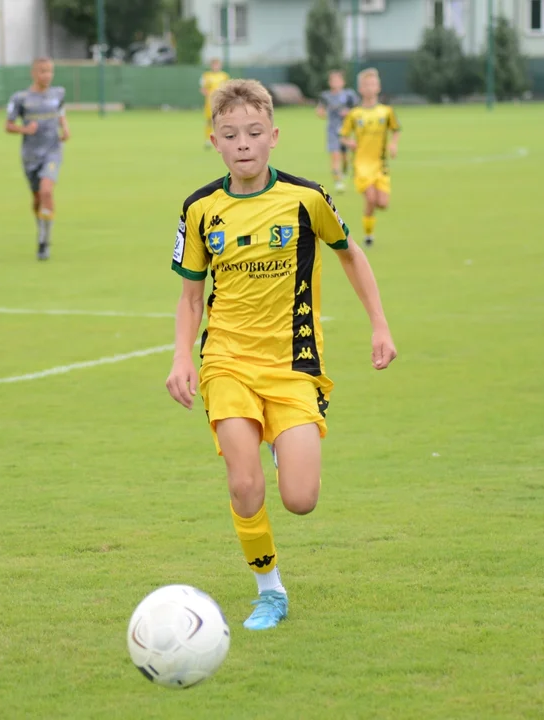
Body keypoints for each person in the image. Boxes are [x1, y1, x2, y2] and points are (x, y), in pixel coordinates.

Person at [166, 79, 397, 631]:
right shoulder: (200, 208)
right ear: (215, 141)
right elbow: (190, 295)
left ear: (273, 136)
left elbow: (350, 254)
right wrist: (182, 358)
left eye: (252, 133)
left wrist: (380, 325)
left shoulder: (306, 198)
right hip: (226, 362)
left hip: (295, 366)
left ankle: (282, 444)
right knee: (244, 485)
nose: (242, 143)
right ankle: (269, 589)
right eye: (229, 134)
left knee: (300, 499)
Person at [5, 57, 70, 261]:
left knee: (46, 191)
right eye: (43, 71)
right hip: (31, 155)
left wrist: (65, 128)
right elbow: (8, 125)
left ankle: (44, 240)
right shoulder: (21, 98)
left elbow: (60, 113)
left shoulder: (58, 94)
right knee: (36, 199)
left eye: (50, 71)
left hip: (52, 150)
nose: (47, 75)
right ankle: (41, 229)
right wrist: (25, 129)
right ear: (34, 73)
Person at [340, 68, 400, 248]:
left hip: (380, 164)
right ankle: (368, 235)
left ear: (378, 87)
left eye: (373, 84)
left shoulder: (386, 112)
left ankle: (369, 225)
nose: (369, 88)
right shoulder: (355, 114)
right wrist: (349, 143)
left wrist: (393, 144)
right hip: (361, 164)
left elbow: (395, 130)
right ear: (360, 89)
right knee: (371, 199)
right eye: (366, 85)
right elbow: (343, 136)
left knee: (382, 203)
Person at [315, 69, 359, 193]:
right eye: (333, 80)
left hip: (346, 131)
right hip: (332, 130)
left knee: (345, 157)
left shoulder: (349, 95)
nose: (335, 83)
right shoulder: (326, 96)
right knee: (335, 155)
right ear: (330, 83)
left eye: (338, 80)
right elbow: (320, 110)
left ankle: (344, 171)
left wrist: (349, 112)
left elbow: (358, 110)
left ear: (343, 82)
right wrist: (320, 112)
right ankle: (338, 182)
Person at [199, 58, 230, 150]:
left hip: (221, 102)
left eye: (217, 65)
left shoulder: (224, 76)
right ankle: (208, 140)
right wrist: (209, 94)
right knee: (209, 121)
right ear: (211, 66)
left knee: (222, 121)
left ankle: (221, 140)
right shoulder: (206, 76)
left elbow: (227, 88)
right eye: (214, 65)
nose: (216, 67)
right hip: (210, 102)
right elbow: (203, 89)